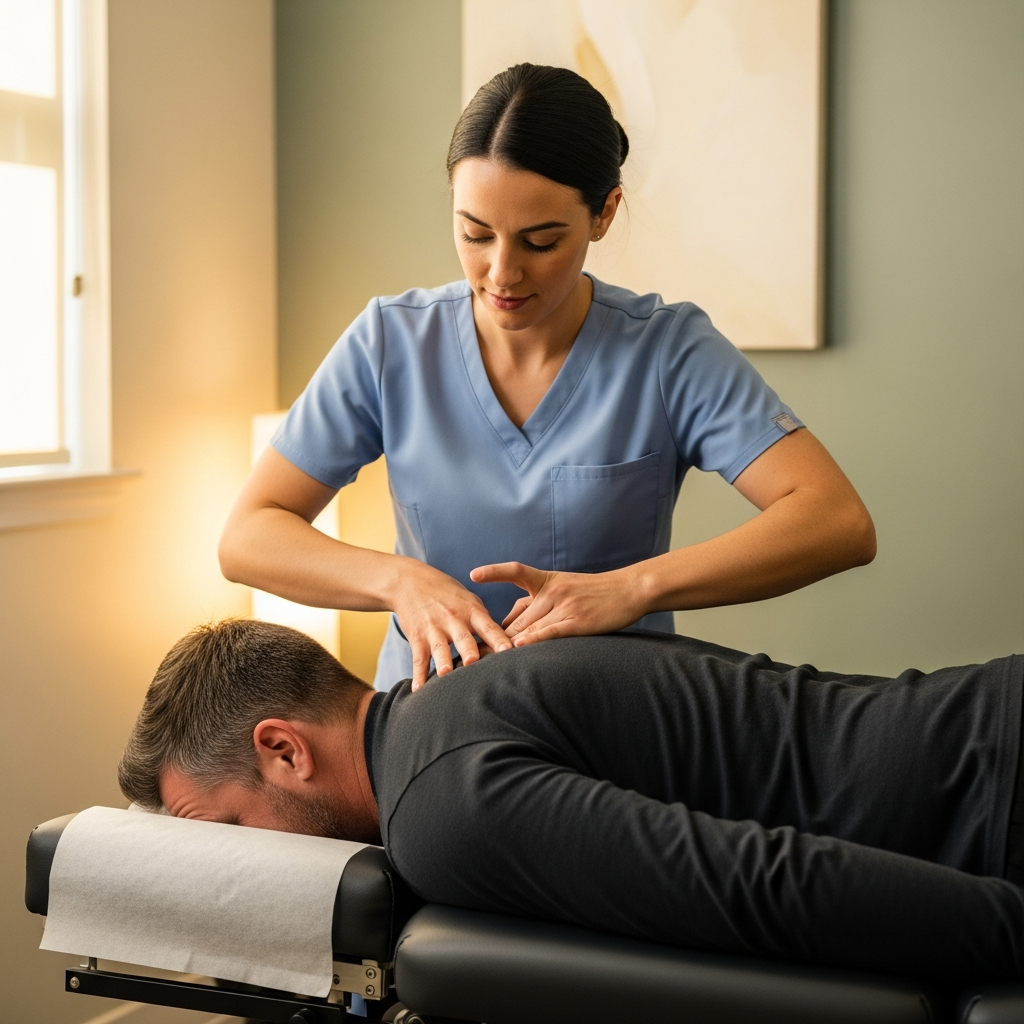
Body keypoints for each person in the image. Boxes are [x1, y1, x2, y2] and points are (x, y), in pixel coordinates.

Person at [217, 64, 876, 692]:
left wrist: (632, 588)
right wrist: (398, 581)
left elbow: (836, 521)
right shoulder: (390, 342)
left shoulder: (668, 352)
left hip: (606, 726)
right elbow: (248, 535)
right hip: (426, 725)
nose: (502, 273)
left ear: (604, 214)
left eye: (539, 242)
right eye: (475, 233)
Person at [119, 619, 1024, 983]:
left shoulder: (440, 808)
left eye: (233, 830)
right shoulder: (466, 698)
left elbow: (764, 884)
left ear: (282, 748)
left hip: (996, 801)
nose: (246, 864)